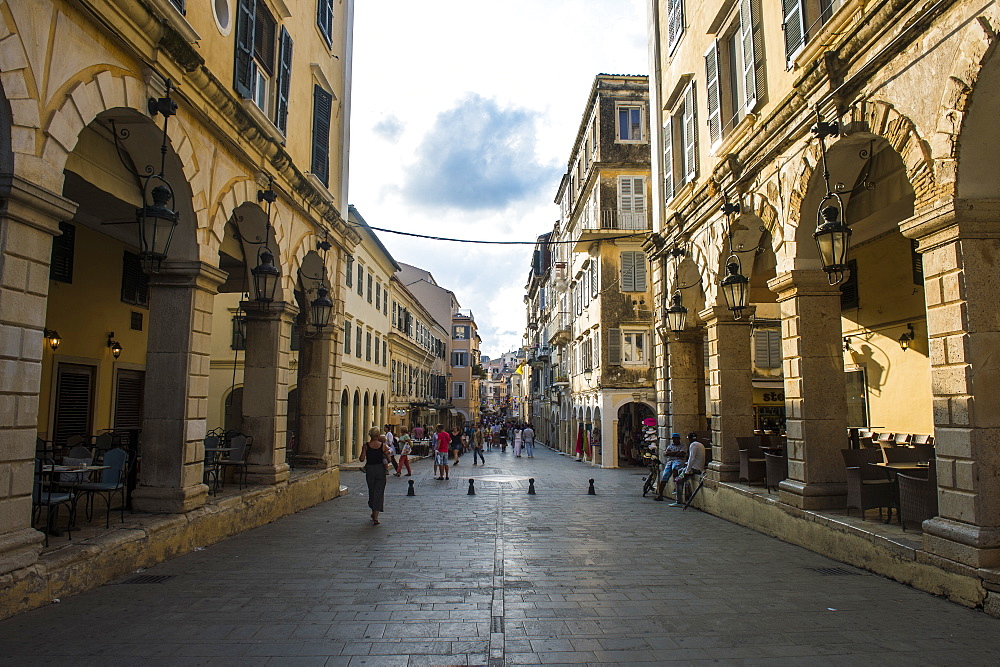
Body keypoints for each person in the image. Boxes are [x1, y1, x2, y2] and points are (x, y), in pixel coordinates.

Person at [358, 427, 391, 525]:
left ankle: (373, 509)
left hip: (370, 470)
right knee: (379, 491)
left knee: (372, 490)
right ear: (378, 435)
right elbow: (389, 459)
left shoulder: (366, 446)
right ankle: (375, 515)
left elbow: (361, 459)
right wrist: (387, 454)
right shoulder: (383, 446)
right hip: (380, 470)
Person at [670, 433, 707, 507]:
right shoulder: (700, 444)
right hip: (698, 467)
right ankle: (678, 491)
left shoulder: (693, 445)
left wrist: (687, 470)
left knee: (679, 480)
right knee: (680, 471)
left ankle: (678, 500)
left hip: (694, 469)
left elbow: (692, 458)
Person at [654, 433, 687, 502]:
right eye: (674, 439)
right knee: (664, 476)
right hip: (670, 461)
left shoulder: (683, 445)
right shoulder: (670, 446)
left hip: (679, 461)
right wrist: (677, 452)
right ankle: (660, 495)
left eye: (676, 438)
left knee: (675, 469)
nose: (675, 440)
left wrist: (672, 453)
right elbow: (666, 453)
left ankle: (676, 486)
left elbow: (682, 454)